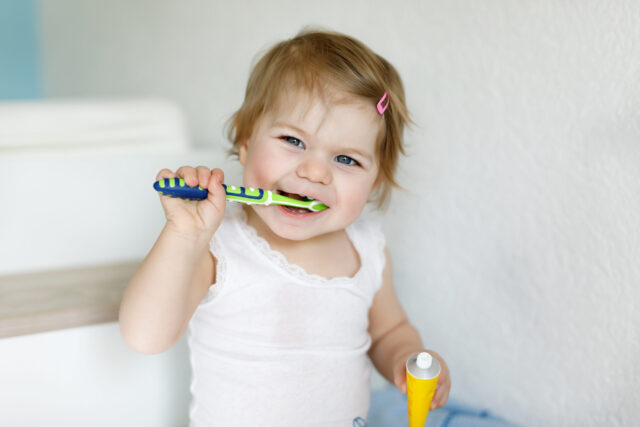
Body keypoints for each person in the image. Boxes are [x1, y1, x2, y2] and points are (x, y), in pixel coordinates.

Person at [119, 29, 451, 426]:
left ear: (375, 183)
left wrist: (404, 359)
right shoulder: (218, 249)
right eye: (293, 140)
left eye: (347, 160)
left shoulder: (368, 253)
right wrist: (184, 235)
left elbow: (389, 331)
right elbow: (144, 336)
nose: (314, 171)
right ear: (245, 141)